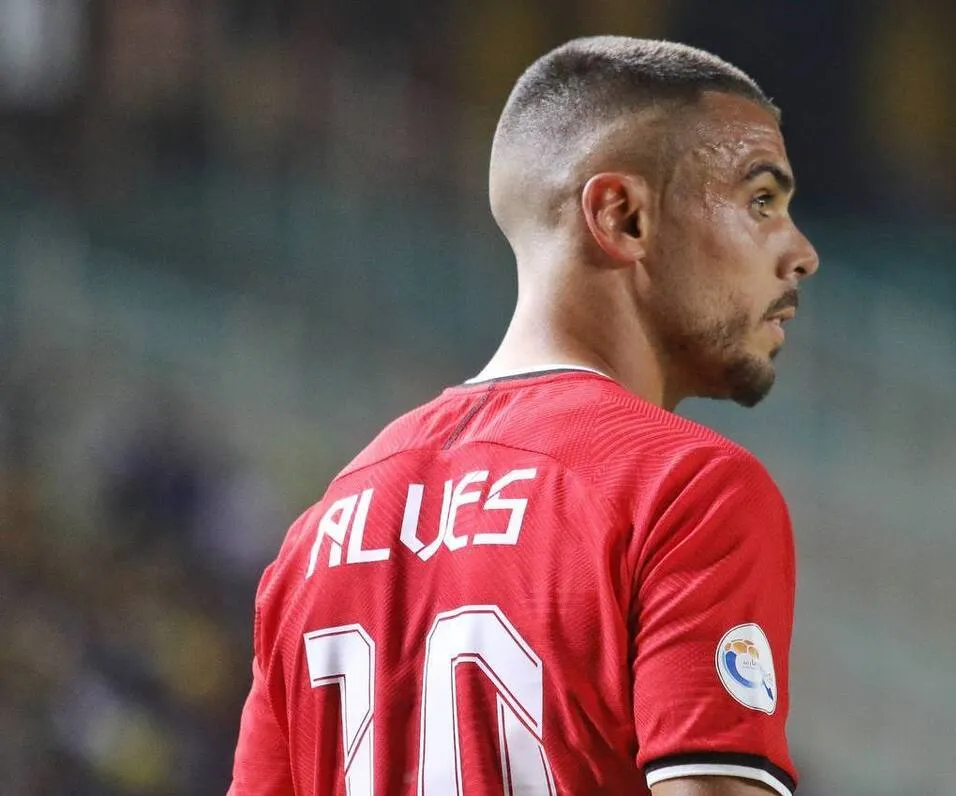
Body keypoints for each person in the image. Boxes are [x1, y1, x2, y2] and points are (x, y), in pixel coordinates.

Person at [228, 35, 818, 796]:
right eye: (761, 201)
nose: (801, 252)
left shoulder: (317, 537)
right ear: (624, 217)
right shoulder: (688, 491)